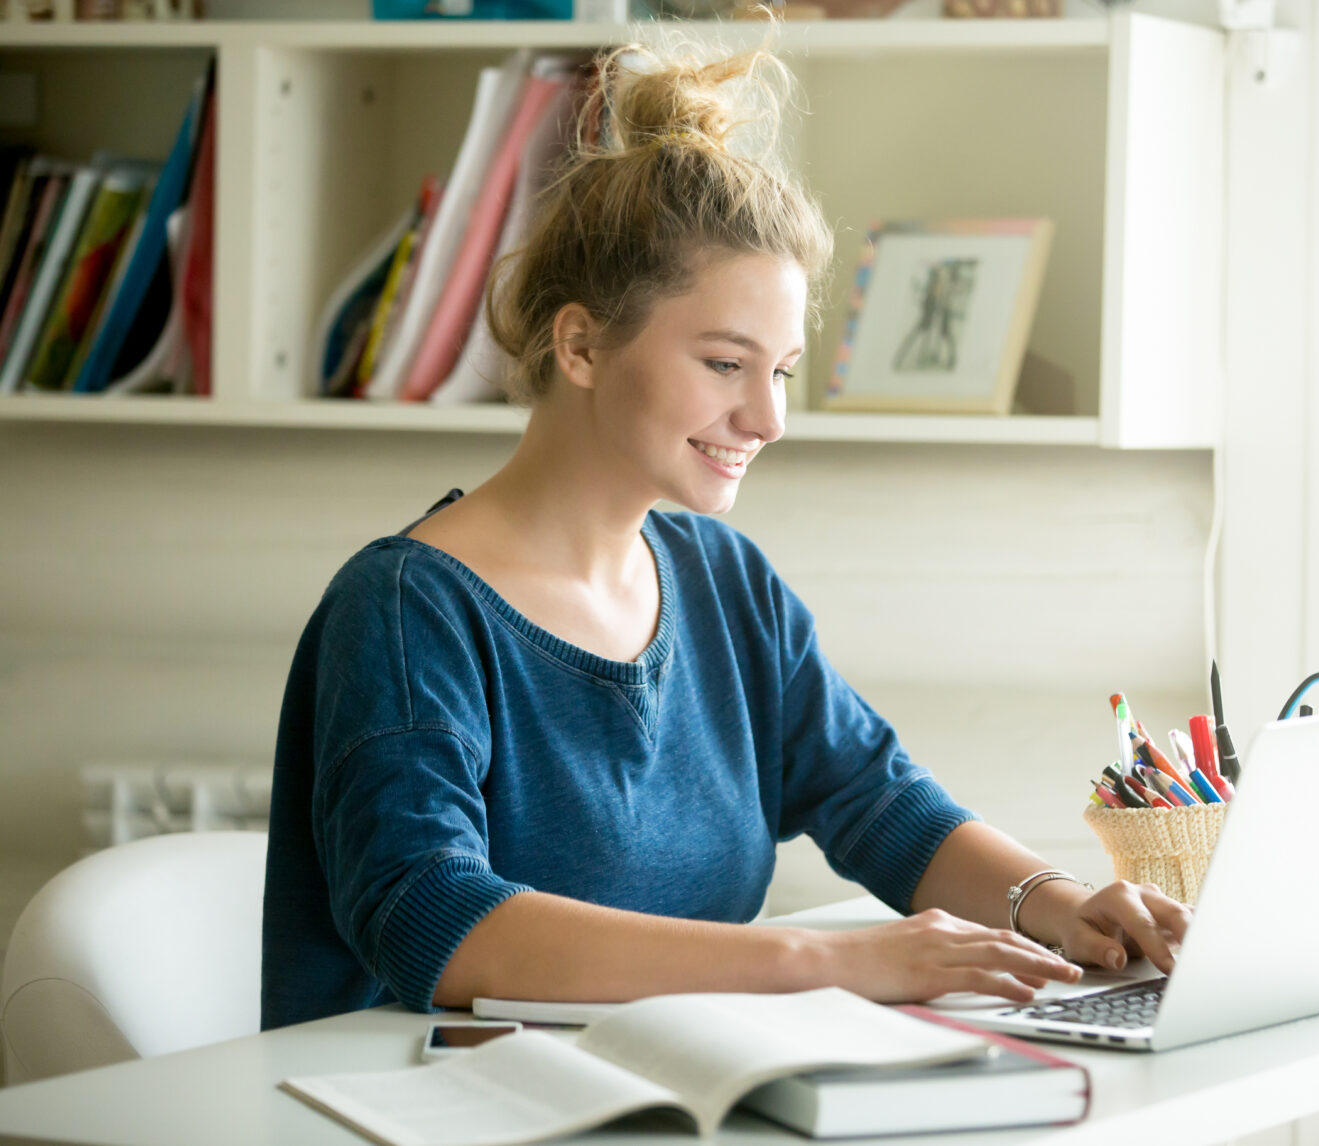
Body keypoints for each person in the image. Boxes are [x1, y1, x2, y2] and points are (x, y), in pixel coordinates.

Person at [261, 35, 1190, 1032]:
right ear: (578, 344)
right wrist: (825, 961)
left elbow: (875, 801)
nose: (768, 417)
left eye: (781, 370)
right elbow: (434, 921)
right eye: (723, 363)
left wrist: (1057, 907)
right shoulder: (406, 609)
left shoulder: (723, 582)